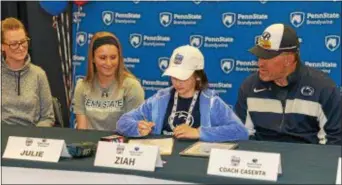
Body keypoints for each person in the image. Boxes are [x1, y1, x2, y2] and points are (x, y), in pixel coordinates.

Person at [235, 23, 341, 145]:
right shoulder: (249, 87)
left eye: (266, 57)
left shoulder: (323, 88)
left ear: (288, 59)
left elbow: (334, 140)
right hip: (262, 160)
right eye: (259, 56)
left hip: (307, 161)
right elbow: (242, 135)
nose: (260, 64)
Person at [117, 45, 249, 142]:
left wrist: (199, 132)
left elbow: (240, 131)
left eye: (183, 77)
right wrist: (137, 127)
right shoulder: (159, 99)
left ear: (197, 76)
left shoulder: (211, 102)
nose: (177, 83)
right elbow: (122, 122)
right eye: (174, 77)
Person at [73, 31, 144, 130]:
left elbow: (133, 129)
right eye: (102, 58)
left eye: (113, 57)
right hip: (89, 144)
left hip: (120, 144)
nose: (108, 63)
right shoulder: (82, 86)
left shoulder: (132, 87)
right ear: (93, 58)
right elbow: (82, 130)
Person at [1, 17, 55, 127]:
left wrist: (33, 136)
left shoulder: (39, 74)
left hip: (31, 138)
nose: (21, 48)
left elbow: (47, 117)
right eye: (14, 44)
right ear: (2, 46)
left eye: (23, 41)